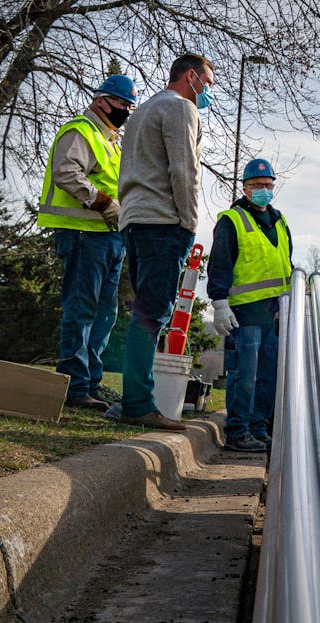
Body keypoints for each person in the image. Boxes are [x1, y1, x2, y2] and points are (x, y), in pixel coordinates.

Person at [116, 53, 214, 430]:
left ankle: (133, 395)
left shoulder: (142, 112)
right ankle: (139, 403)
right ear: (191, 77)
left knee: (143, 309)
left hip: (135, 220)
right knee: (153, 313)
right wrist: (190, 223)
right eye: (206, 82)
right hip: (164, 221)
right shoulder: (181, 109)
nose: (207, 91)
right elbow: (183, 168)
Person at [37, 74, 137, 410]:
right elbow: (67, 173)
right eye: (122, 104)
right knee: (82, 310)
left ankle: (90, 384)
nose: (126, 110)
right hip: (83, 235)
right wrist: (103, 203)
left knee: (104, 314)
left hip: (108, 237)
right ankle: (74, 386)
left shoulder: (110, 140)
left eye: (128, 106)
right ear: (101, 100)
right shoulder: (81, 130)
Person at [208, 158, 291, 453]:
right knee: (245, 373)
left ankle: (258, 427)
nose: (263, 190)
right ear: (244, 187)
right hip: (244, 313)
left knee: (268, 375)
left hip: (274, 314)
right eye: (257, 186)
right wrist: (219, 302)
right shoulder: (232, 220)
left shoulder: (279, 221)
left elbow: (286, 265)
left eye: (268, 185)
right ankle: (238, 430)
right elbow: (219, 264)